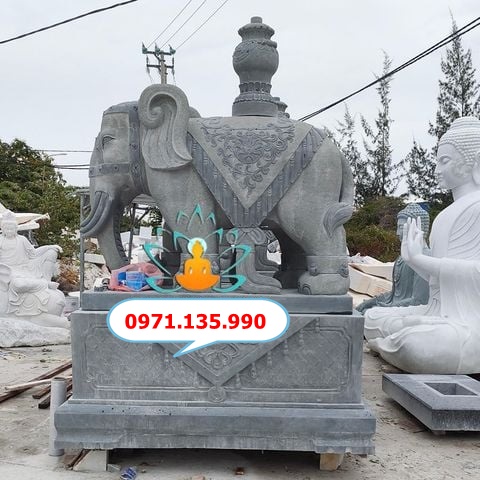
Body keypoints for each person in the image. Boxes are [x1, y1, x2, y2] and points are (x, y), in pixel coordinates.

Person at [364, 117, 480, 374]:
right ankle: (397, 341)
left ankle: (396, 344)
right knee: (372, 318)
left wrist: (421, 259)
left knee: (418, 345)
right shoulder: (444, 216)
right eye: (437, 161)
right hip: (438, 313)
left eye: (445, 161)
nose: (437, 169)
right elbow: (437, 284)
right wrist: (415, 261)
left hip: (470, 321)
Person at [0, 210, 68, 328]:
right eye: (7, 229)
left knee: (51, 252)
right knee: (19, 284)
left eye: (12, 228)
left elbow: (33, 253)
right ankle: (44, 284)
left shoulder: (22, 240)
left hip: (25, 268)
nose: (9, 231)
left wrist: (49, 247)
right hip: (9, 271)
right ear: (3, 229)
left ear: (16, 229)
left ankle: (45, 282)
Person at [357, 204, 429, 314]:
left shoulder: (425, 258)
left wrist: (383, 308)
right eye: (397, 228)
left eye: (401, 228)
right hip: (395, 309)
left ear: (418, 228)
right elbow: (395, 295)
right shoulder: (402, 258)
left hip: (412, 313)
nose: (397, 233)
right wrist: (373, 301)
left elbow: (420, 301)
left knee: (369, 314)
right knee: (363, 311)